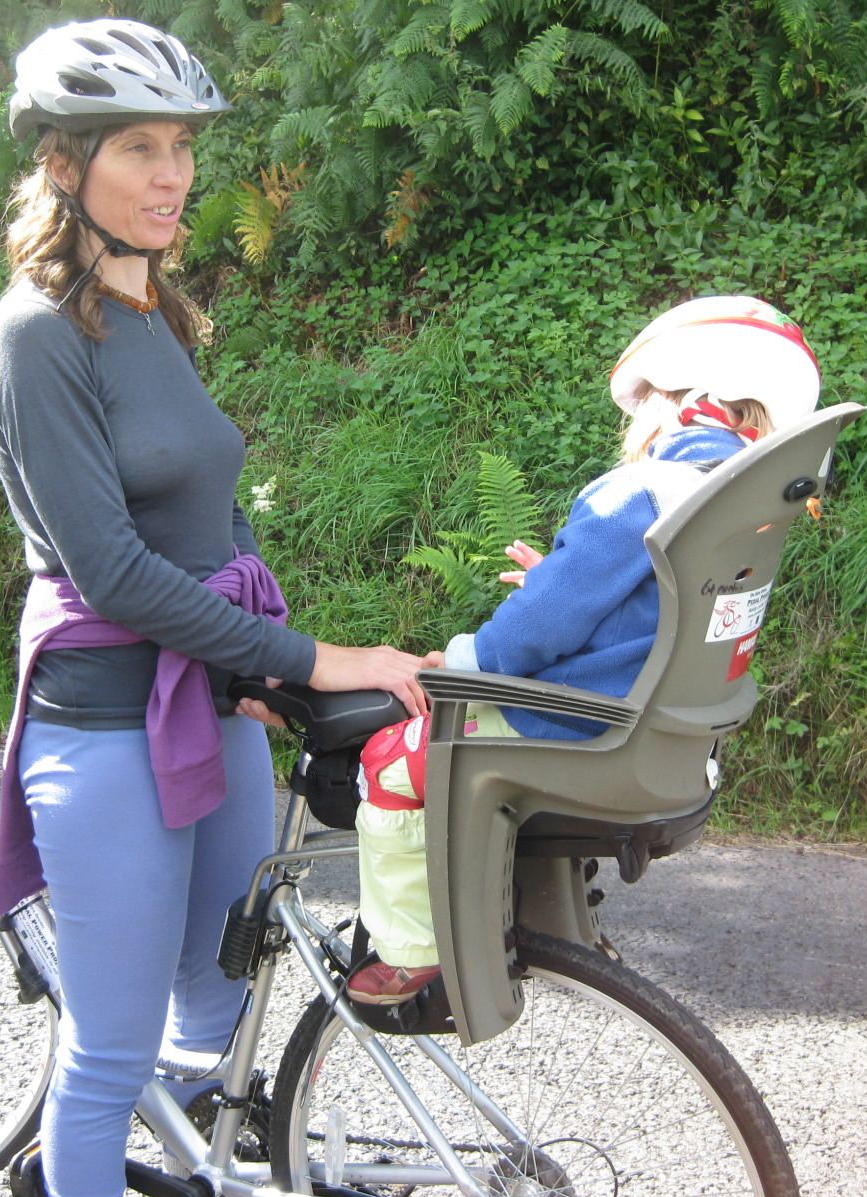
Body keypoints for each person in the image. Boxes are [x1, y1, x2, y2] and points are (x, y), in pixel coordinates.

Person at [0, 20, 428, 1197]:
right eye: (138, 147)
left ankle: (189, 1174)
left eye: (180, 146)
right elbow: (115, 574)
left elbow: (217, 514)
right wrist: (312, 656)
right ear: (63, 163)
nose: (171, 174)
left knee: (218, 994)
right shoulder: (34, 336)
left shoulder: (150, 312)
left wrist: (256, 669)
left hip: (207, 708)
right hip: (107, 727)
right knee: (109, 1050)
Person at [344, 296, 823, 1006]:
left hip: (581, 726)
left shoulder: (641, 490)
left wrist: (468, 659)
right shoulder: (743, 504)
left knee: (391, 761)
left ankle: (415, 957)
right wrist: (561, 582)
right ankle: (560, 925)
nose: (635, 422)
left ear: (683, 398)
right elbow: (658, 614)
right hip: (670, 741)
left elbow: (541, 627)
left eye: (644, 400)